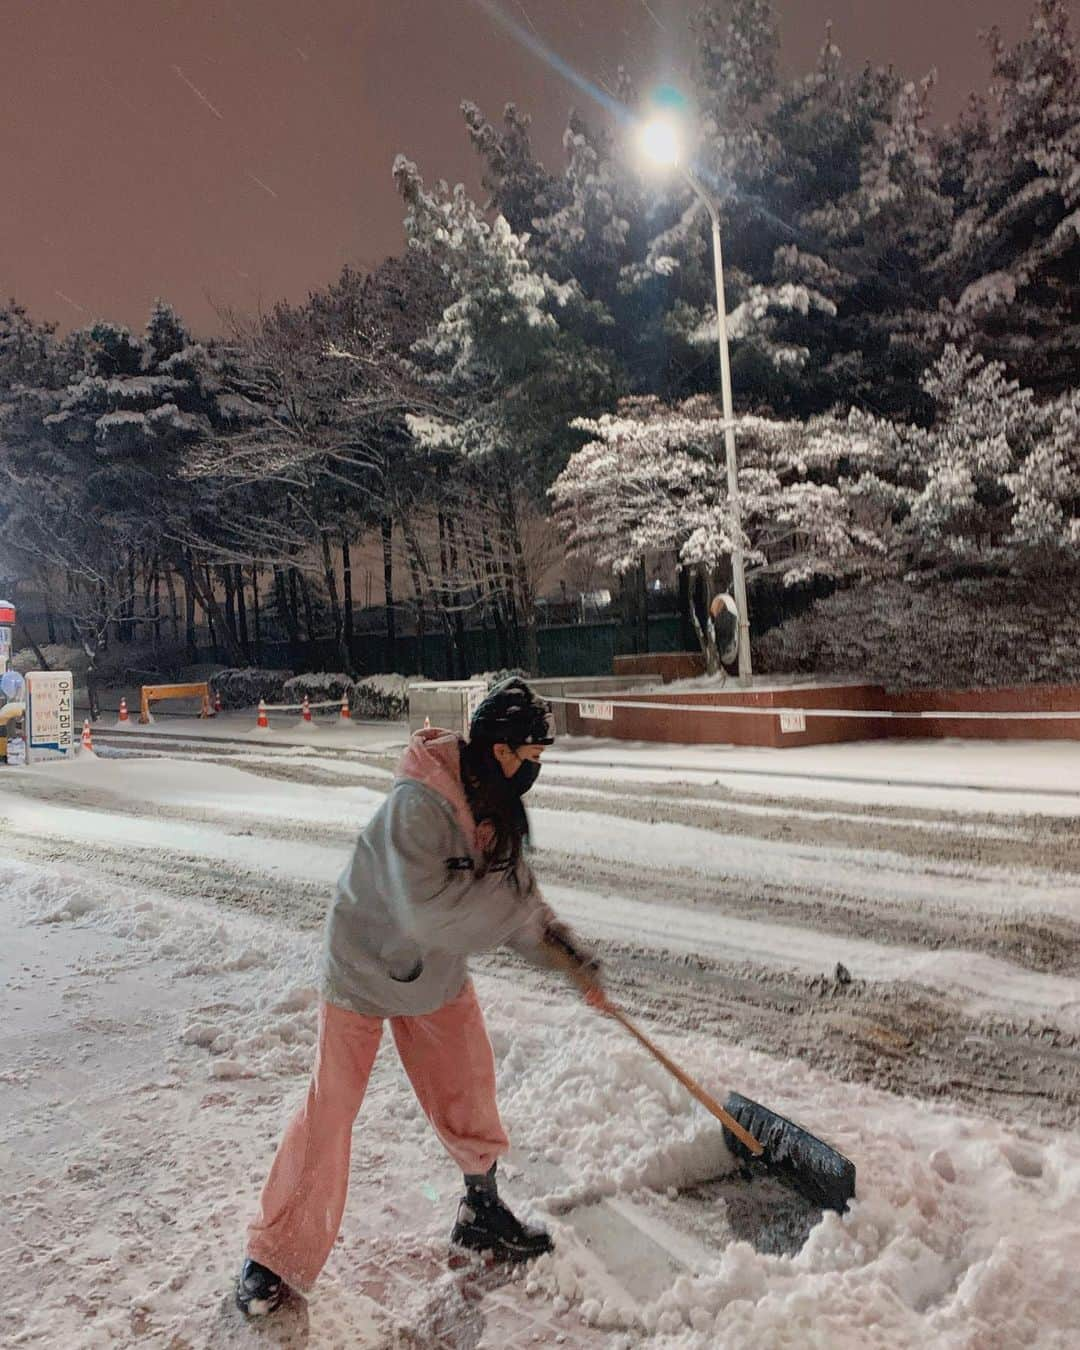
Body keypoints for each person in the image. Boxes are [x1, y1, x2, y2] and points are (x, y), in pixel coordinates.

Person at [236, 677, 608, 1317]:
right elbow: (432, 915)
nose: (535, 772)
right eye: (532, 758)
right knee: (330, 1111)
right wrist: (514, 918)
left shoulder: (492, 801)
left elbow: (518, 900)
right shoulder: (421, 802)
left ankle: (481, 1210)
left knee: (468, 1079)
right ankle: (272, 1257)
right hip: (364, 958)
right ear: (498, 749)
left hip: (432, 970)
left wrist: (566, 954)